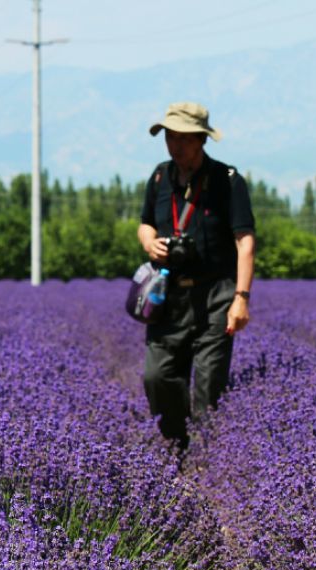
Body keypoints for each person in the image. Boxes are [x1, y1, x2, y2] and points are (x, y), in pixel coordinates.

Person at [137, 101, 257, 455]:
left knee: (208, 390)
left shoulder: (227, 181)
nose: (175, 146)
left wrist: (242, 297)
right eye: (170, 137)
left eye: (184, 139)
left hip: (216, 297)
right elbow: (145, 222)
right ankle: (177, 448)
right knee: (157, 377)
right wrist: (149, 242)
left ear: (201, 140)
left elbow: (245, 241)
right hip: (168, 298)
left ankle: (207, 463)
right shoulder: (159, 177)